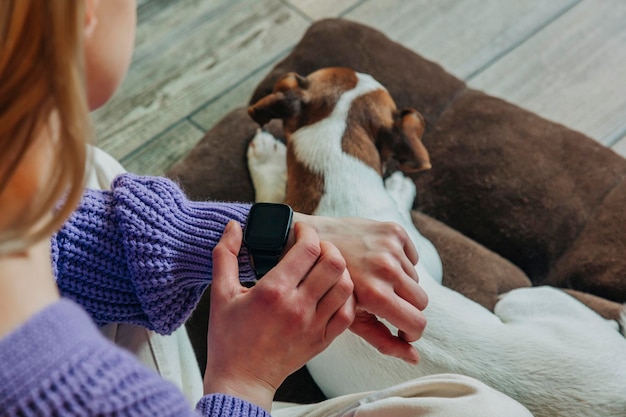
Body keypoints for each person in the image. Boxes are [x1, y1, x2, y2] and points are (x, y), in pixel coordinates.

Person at [0, 1, 533, 416]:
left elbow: (59, 245)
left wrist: (275, 237)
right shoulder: (61, 390)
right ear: (81, 18)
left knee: (87, 168)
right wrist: (244, 378)